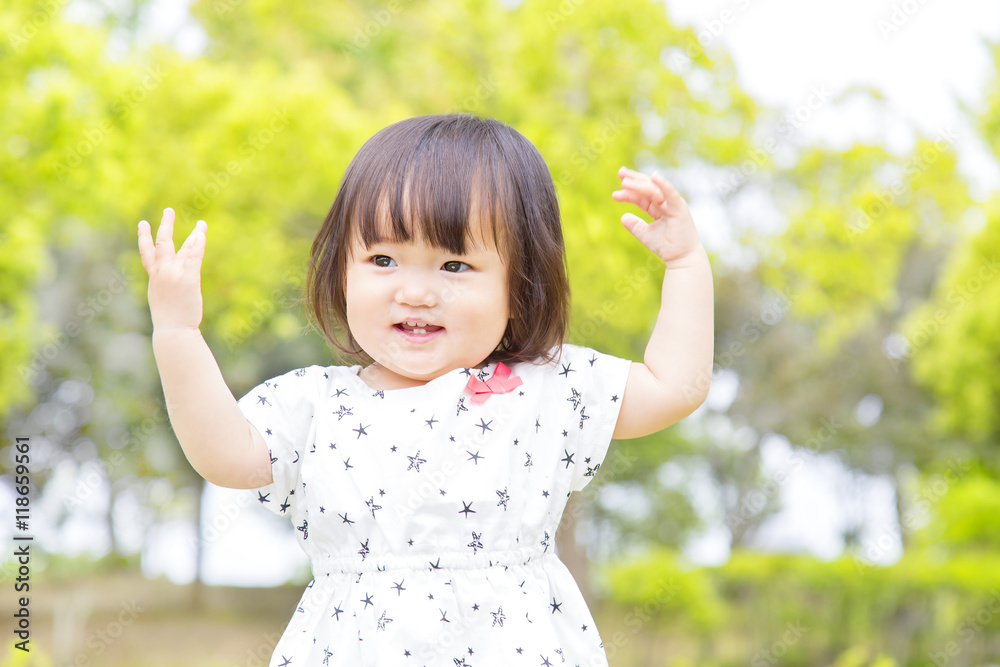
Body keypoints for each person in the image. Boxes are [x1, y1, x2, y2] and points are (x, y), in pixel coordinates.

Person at [137, 113, 714, 666]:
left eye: (454, 265)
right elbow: (223, 456)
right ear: (342, 270)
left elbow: (673, 386)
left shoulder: (544, 390)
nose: (414, 292)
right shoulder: (315, 404)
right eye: (383, 258)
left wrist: (685, 265)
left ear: (520, 284)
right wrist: (178, 334)